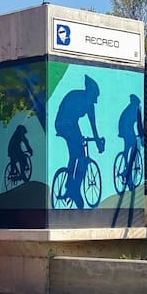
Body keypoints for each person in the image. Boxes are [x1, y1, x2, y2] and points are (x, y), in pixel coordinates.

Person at [54, 75, 105, 209]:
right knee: (80, 154)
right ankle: (73, 189)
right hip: (63, 123)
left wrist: (98, 140)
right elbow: (67, 116)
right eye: (95, 96)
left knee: (77, 155)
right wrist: (79, 137)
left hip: (72, 124)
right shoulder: (76, 97)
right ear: (89, 92)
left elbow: (93, 126)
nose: (95, 101)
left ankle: (71, 186)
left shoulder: (90, 105)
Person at [117, 94, 144, 188]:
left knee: (128, 148)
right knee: (133, 146)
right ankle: (128, 173)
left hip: (124, 129)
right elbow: (139, 125)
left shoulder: (130, 108)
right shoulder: (135, 109)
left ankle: (126, 166)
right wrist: (141, 137)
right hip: (126, 129)